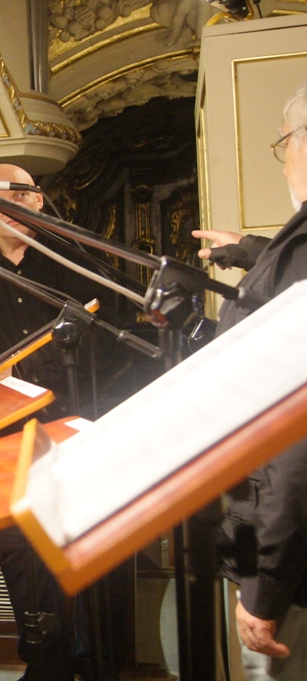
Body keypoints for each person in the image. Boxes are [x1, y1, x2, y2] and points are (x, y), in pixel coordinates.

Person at [0, 163, 130, 681]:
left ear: (37, 200)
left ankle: (99, 663)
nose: (7, 205)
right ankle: (46, 661)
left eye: (20, 194)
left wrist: (40, 373)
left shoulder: (76, 260)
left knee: (91, 548)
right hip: (12, 438)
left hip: (80, 425)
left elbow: (121, 335)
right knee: (19, 552)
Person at [195, 76, 307, 681]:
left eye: (284, 141)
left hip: (289, 567)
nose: (284, 156)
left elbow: (295, 447)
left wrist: (264, 590)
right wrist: (251, 249)